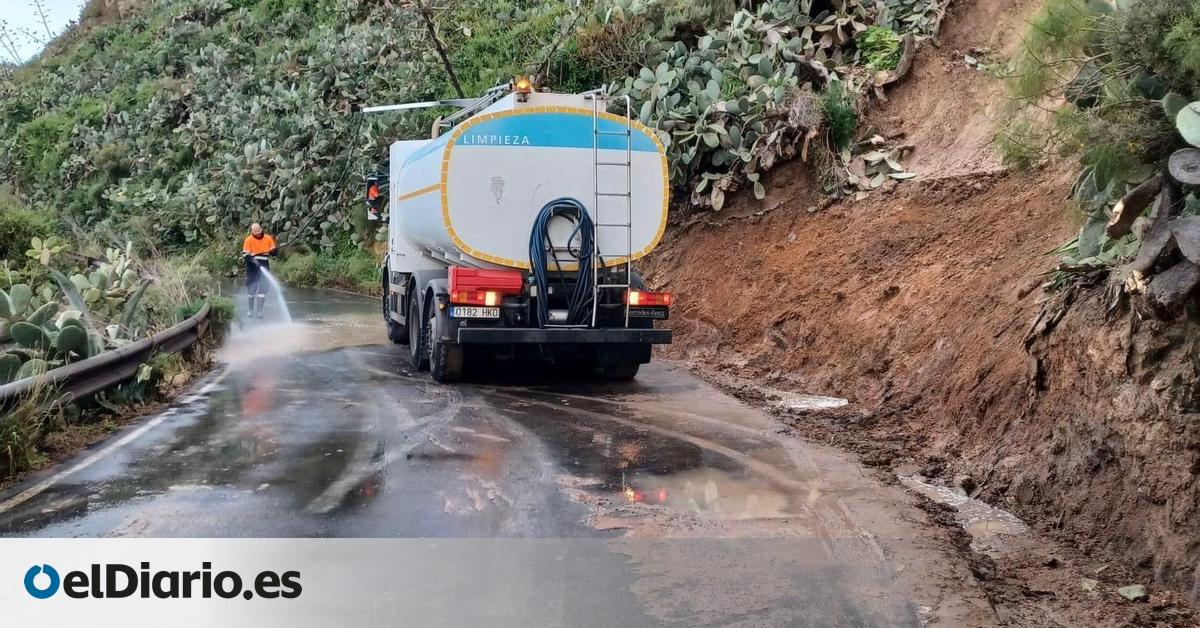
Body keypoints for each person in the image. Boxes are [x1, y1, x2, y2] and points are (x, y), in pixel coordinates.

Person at [242, 223, 278, 318]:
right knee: (252, 289)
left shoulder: (268, 238)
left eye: (259, 231)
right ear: (252, 232)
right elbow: (246, 255)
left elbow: (273, 252)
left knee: (263, 288)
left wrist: (274, 251)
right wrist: (253, 261)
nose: (257, 233)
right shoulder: (248, 240)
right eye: (255, 232)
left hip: (264, 265)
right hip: (252, 268)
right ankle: (250, 310)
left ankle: (259, 312)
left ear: (261, 229)